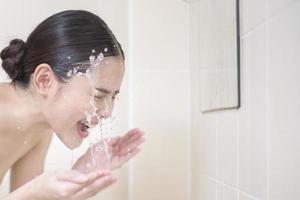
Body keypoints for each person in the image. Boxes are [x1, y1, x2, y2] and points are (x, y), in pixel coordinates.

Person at [0, 10, 145, 200]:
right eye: (98, 94)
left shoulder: (40, 129)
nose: (108, 111)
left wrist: (79, 175)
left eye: (113, 97)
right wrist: (30, 192)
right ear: (45, 80)